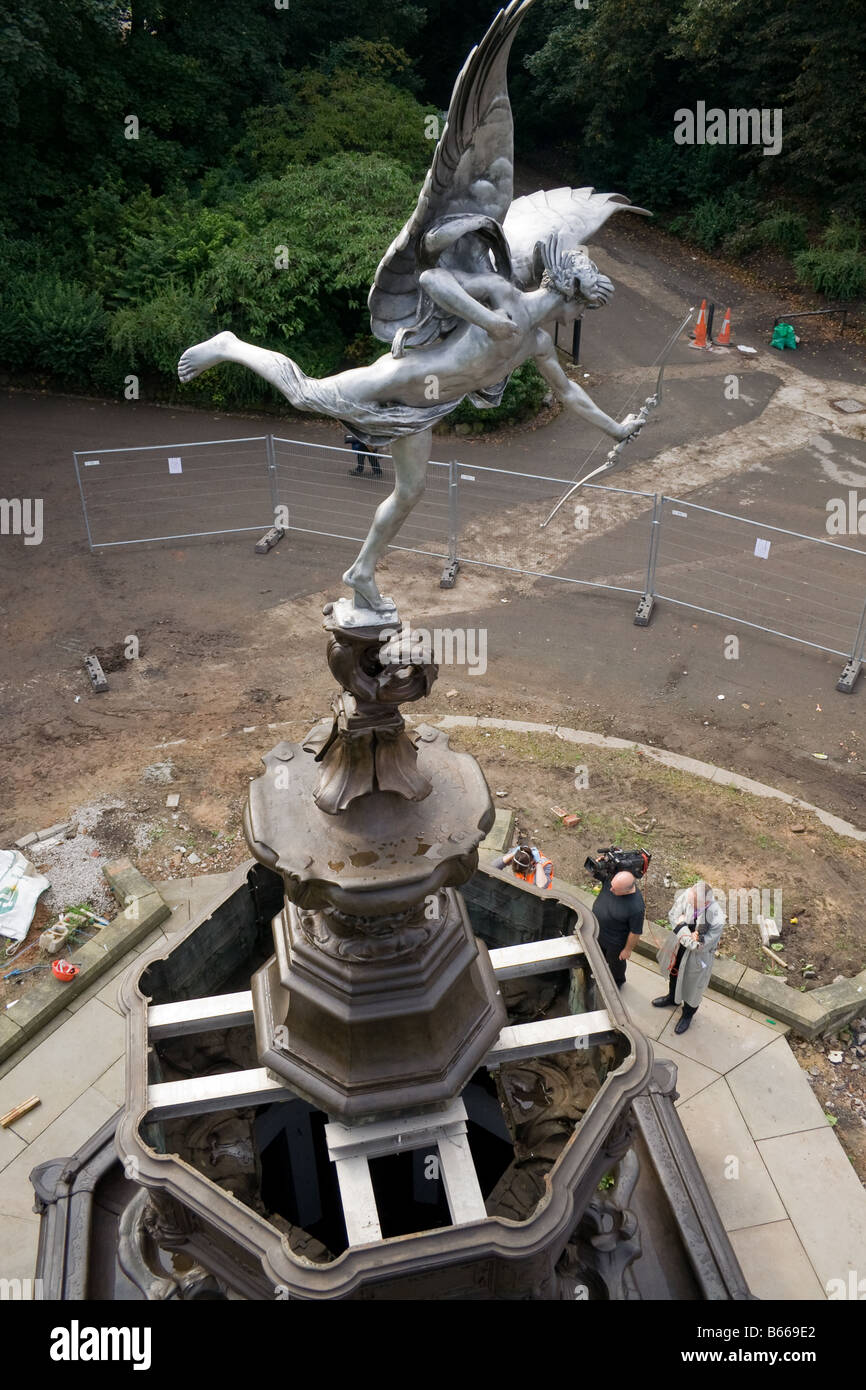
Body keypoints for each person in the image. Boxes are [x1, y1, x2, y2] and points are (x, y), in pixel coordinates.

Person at [653, 881, 726, 1033]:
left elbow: (698, 946)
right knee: (674, 972)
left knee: (693, 988)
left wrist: (681, 926)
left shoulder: (716, 919)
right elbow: (673, 915)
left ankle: (687, 1015)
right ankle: (672, 998)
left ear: (706, 902)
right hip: (678, 947)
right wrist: (687, 934)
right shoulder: (689, 894)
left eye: (693, 903)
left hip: (696, 958)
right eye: (689, 899)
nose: (688, 902)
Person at [593, 870, 644, 988]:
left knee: (616, 965)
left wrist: (627, 950)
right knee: (597, 957)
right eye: (611, 886)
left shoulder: (636, 907)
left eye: (615, 890)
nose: (610, 889)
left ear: (627, 891)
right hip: (597, 933)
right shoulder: (613, 882)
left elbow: (635, 932)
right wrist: (596, 866)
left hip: (614, 944)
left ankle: (617, 983)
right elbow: (595, 873)